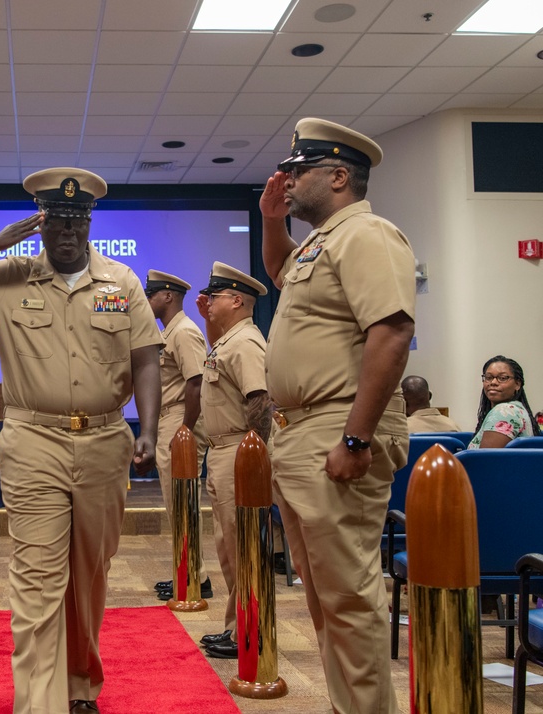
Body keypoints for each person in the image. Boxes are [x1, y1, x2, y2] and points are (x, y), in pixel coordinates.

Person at [0, 167, 161, 714]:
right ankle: (40, 703)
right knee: (37, 577)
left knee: (89, 575)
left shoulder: (122, 283)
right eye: (57, 221)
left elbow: (145, 358)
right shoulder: (7, 277)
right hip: (33, 443)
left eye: (78, 221)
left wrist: (147, 430)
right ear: (40, 223)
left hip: (103, 443)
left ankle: (79, 685)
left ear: (91, 222)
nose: (68, 232)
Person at [260, 118, 415, 714]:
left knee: (349, 595)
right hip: (302, 432)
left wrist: (357, 437)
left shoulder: (367, 234)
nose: (289, 180)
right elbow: (279, 275)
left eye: (300, 172)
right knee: (327, 597)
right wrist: (274, 220)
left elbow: (393, 331)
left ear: (339, 176)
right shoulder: (321, 244)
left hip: (336, 427)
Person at [192, 262, 272, 660]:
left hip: (240, 451)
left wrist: (254, 460)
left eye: (216, 296)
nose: (208, 303)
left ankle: (250, 631)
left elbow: (259, 400)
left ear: (237, 300)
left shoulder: (244, 343)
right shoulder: (228, 339)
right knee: (229, 548)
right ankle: (237, 626)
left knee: (242, 548)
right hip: (223, 451)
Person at [144, 270, 212, 601]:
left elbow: (196, 382)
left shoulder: (184, 331)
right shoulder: (170, 331)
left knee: (184, 503)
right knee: (177, 505)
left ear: (168, 296)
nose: (147, 299)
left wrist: (185, 429)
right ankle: (186, 572)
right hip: (169, 420)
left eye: (151, 294)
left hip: (180, 420)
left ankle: (194, 577)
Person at [467, 355, 539, 448]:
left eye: (503, 378)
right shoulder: (517, 408)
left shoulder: (504, 412)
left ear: (517, 384)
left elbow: (485, 460)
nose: (493, 382)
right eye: (488, 377)